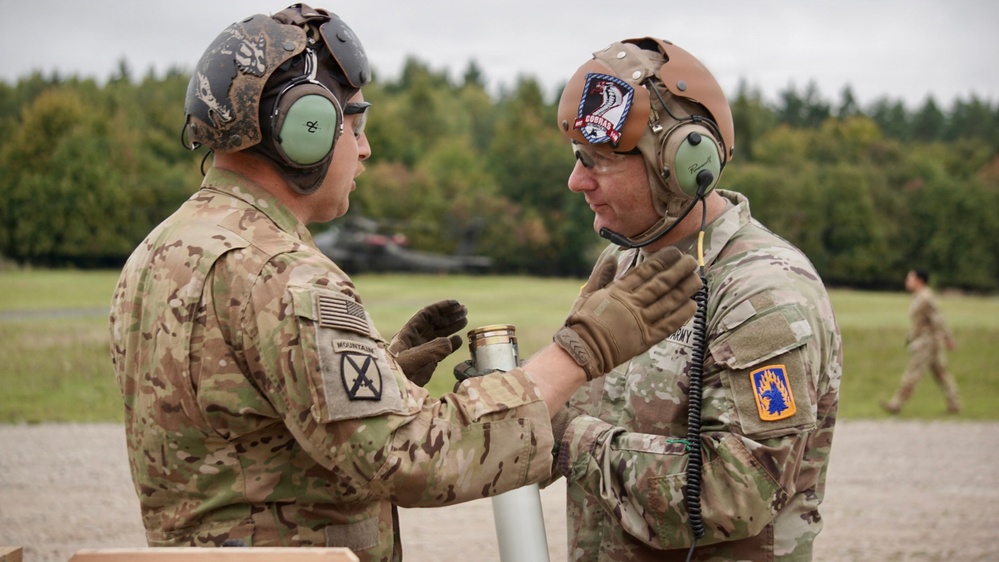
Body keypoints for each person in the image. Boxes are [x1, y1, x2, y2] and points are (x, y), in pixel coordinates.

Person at [107, 6, 703, 561]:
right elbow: (416, 460)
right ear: (304, 130)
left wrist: (383, 372)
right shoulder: (283, 273)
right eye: (354, 124)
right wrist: (582, 350)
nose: (364, 149)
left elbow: (241, 441)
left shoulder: (158, 252)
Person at [543, 37, 843, 560]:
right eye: (577, 157)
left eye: (600, 161)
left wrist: (567, 437)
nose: (576, 181)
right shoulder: (623, 264)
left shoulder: (763, 294)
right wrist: (514, 402)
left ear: (682, 162)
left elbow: (735, 492)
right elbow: (579, 408)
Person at [881, 269, 960, 414]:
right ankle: (954, 404)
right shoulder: (918, 297)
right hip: (927, 340)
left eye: (910, 279)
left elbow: (938, 319)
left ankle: (896, 404)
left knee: (913, 373)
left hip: (927, 342)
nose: (907, 282)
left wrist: (948, 338)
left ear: (919, 280)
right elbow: (920, 322)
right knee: (941, 374)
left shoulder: (925, 298)